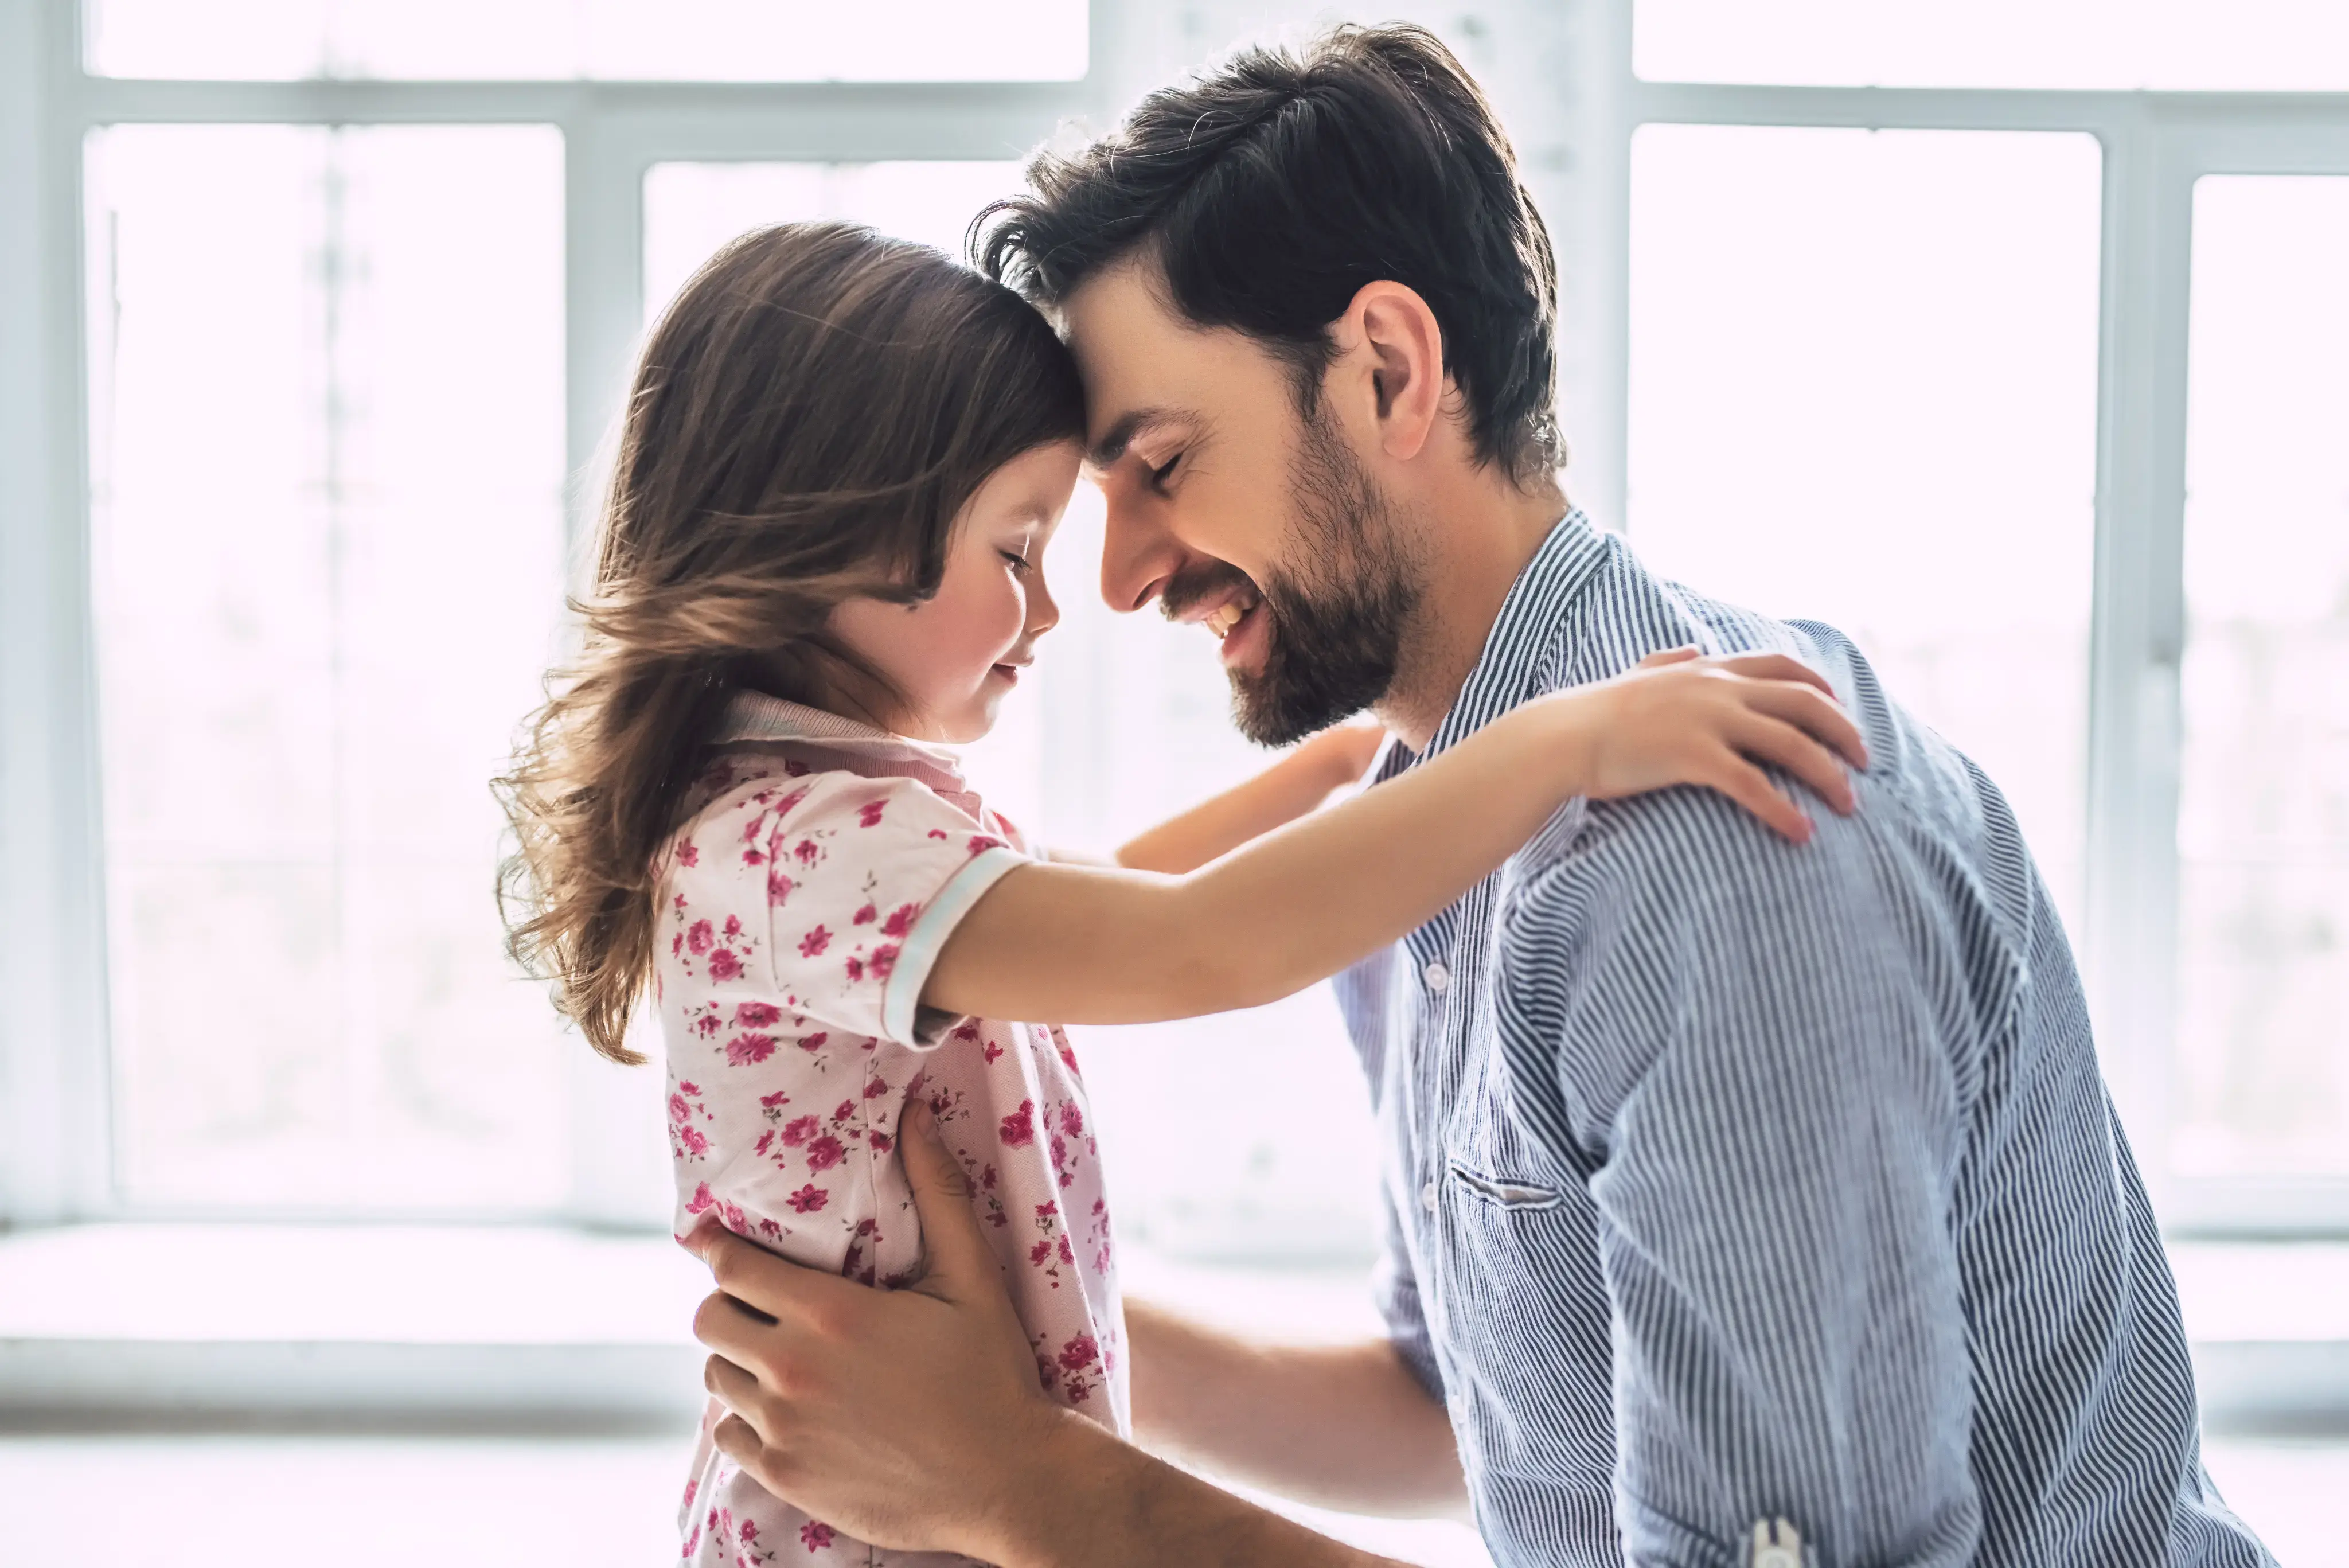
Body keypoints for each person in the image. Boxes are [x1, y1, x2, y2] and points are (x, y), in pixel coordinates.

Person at [677, 25, 2277, 1568]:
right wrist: (946, 1333)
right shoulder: (1424, 826)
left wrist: (1031, 1489)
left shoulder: (1721, 859)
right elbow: (1478, 1419)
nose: (1123, 574)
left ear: (1386, 368)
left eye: (1161, 465)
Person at [496, 220, 1868, 1566]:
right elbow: (1190, 943)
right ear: (837, 532)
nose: (1054, 607)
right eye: (1015, 549)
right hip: (873, 1518)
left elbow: (1095, 891)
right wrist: (1568, 737)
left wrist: (1338, 772)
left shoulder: (812, 822)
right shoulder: (798, 846)